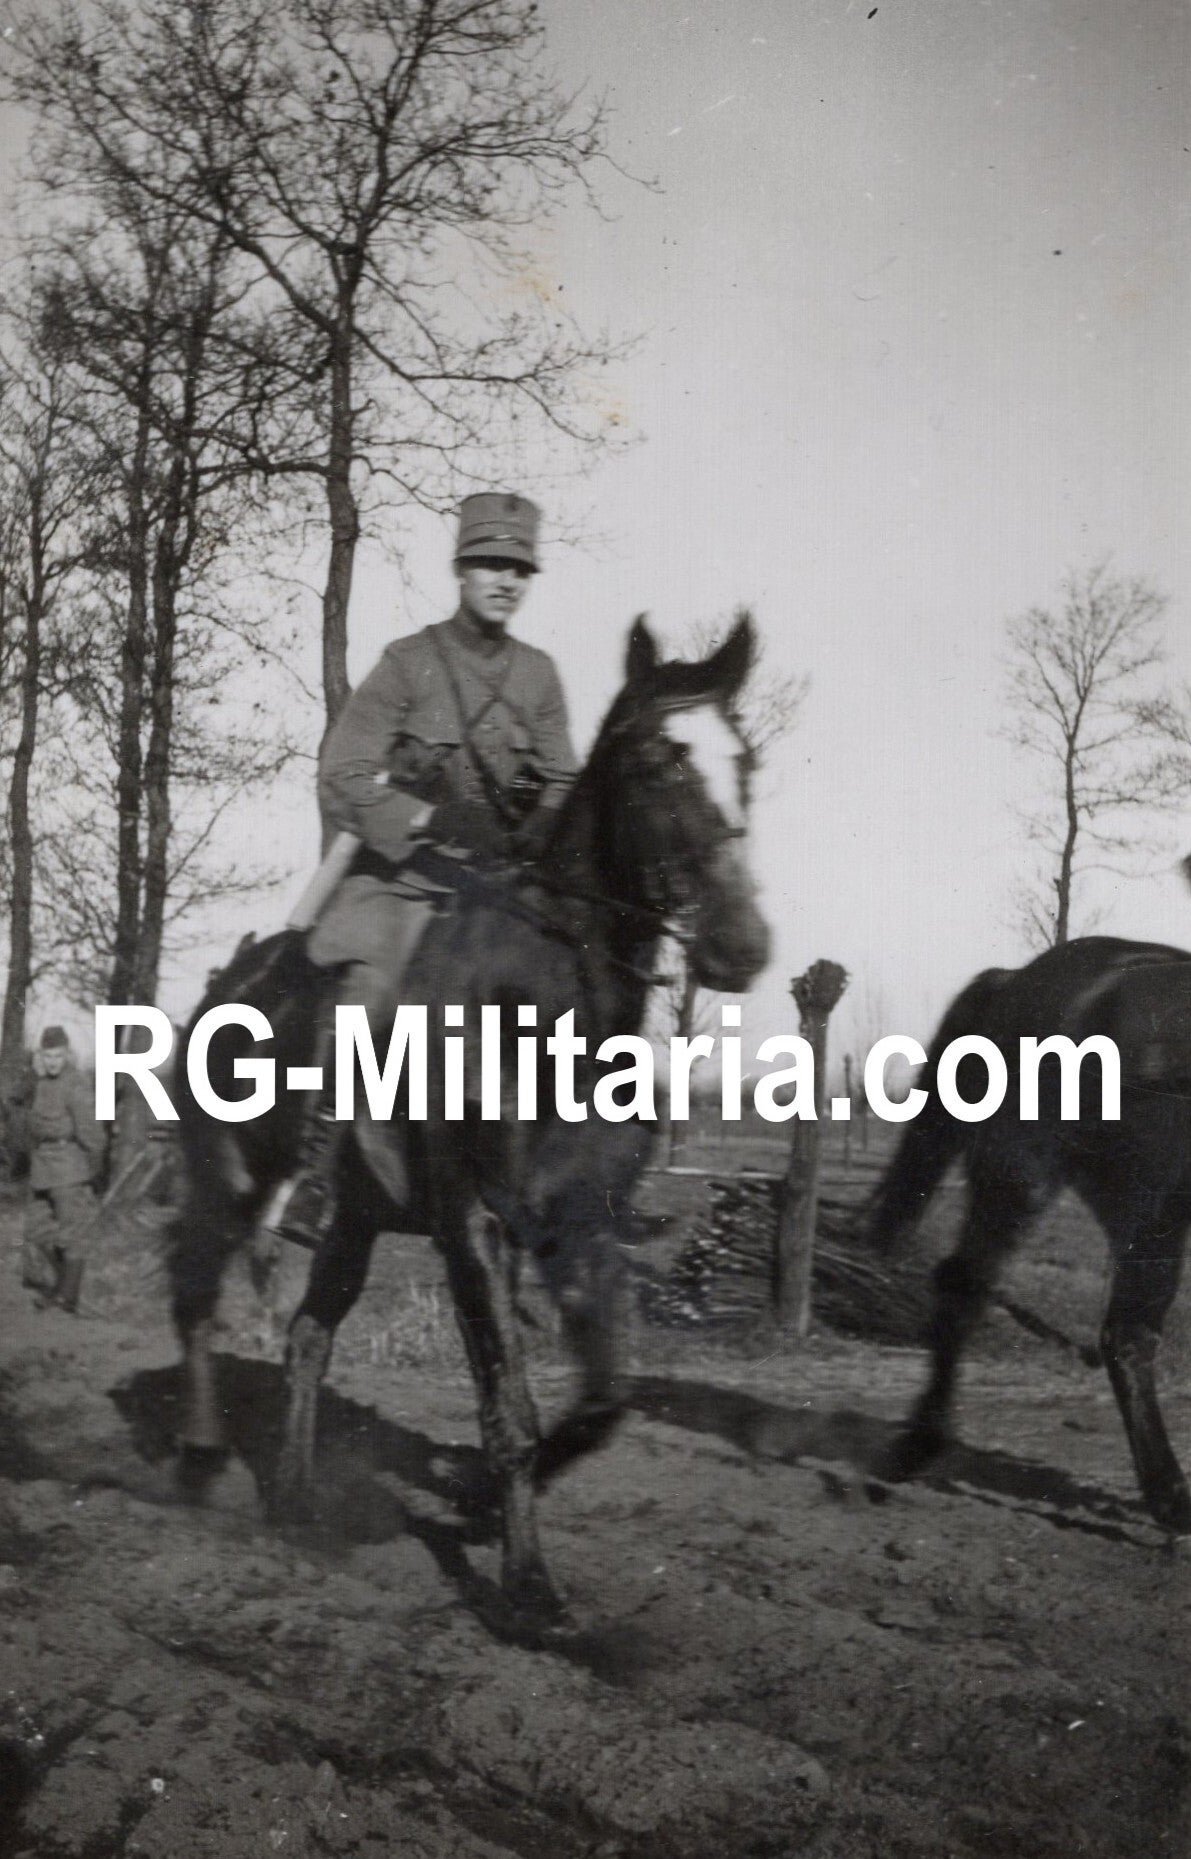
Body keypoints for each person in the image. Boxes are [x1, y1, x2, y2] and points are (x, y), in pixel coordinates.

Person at [276, 491, 577, 1245]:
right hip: (404, 879)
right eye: (489, 564)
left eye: (518, 567)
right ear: (460, 569)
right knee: (369, 993)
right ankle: (316, 1169)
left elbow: (566, 779)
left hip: (496, 889)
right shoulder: (408, 664)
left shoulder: (538, 676)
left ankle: (559, 1177)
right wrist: (432, 817)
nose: (505, 579)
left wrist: (541, 822)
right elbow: (341, 774)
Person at [22, 1025, 106, 1313]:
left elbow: (90, 1130)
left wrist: (94, 1170)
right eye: (47, 1056)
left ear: (67, 1054)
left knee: (72, 1232)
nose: (52, 1062)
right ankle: (59, 1287)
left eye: (57, 1056)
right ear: (40, 1056)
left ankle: (66, 1297)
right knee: (37, 1230)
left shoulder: (76, 1083)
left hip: (69, 1166)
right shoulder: (41, 1084)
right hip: (42, 1166)